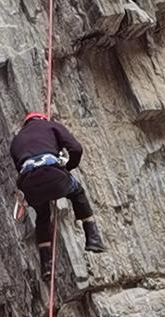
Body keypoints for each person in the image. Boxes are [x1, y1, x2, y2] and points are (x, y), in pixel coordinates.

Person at [10, 112, 106, 280]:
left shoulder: (16, 141)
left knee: (42, 215)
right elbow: (76, 149)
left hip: (29, 184)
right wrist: (67, 168)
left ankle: (46, 265)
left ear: (26, 123)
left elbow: (20, 167)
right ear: (42, 118)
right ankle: (93, 238)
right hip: (53, 174)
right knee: (77, 193)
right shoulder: (50, 126)